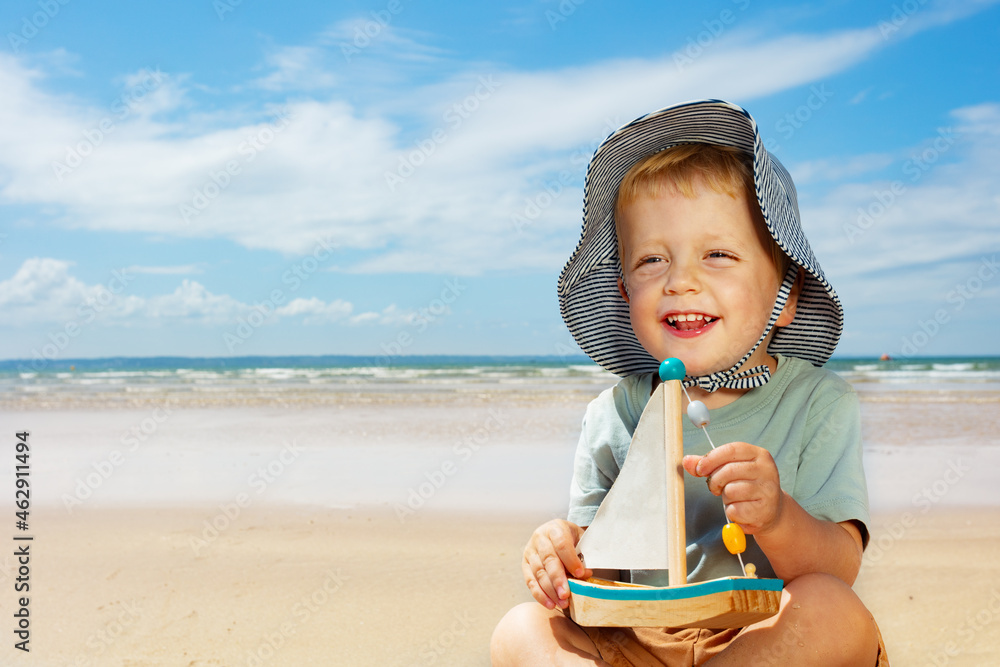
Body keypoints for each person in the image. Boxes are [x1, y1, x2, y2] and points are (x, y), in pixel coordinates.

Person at [491, 100, 888, 666]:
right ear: (626, 293)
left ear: (788, 295)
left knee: (832, 610)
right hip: (638, 636)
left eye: (719, 254)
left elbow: (838, 566)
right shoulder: (615, 414)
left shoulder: (818, 403)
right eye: (652, 260)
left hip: (762, 631)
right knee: (521, 629)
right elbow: (592, 570)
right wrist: (558, 552)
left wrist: (777, 518)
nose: (681, 281)